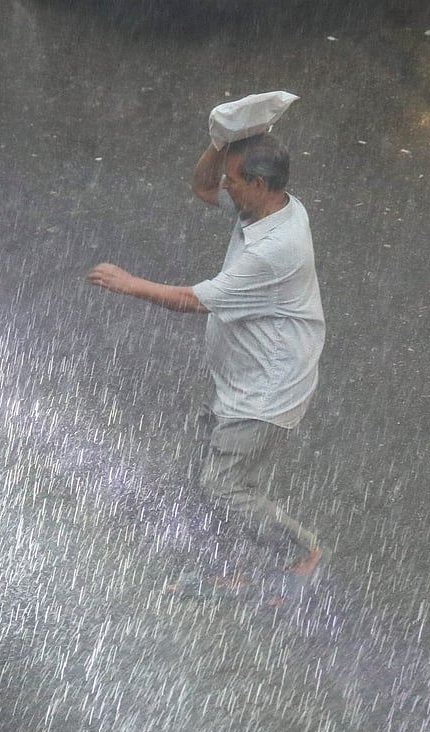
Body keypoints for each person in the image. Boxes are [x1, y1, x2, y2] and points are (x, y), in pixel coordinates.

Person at [87, 132, 326, 577]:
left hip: (265, 395)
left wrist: (128, 282)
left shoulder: (277, 250)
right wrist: (222, 140)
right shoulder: (270, 206)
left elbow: (194, 301)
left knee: (222, 487)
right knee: (206, 476)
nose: (224, 184)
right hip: (242, 379)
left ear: (257, 184)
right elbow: (201, 186)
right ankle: (225, 566)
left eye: (232, 179)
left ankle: (302, 552)